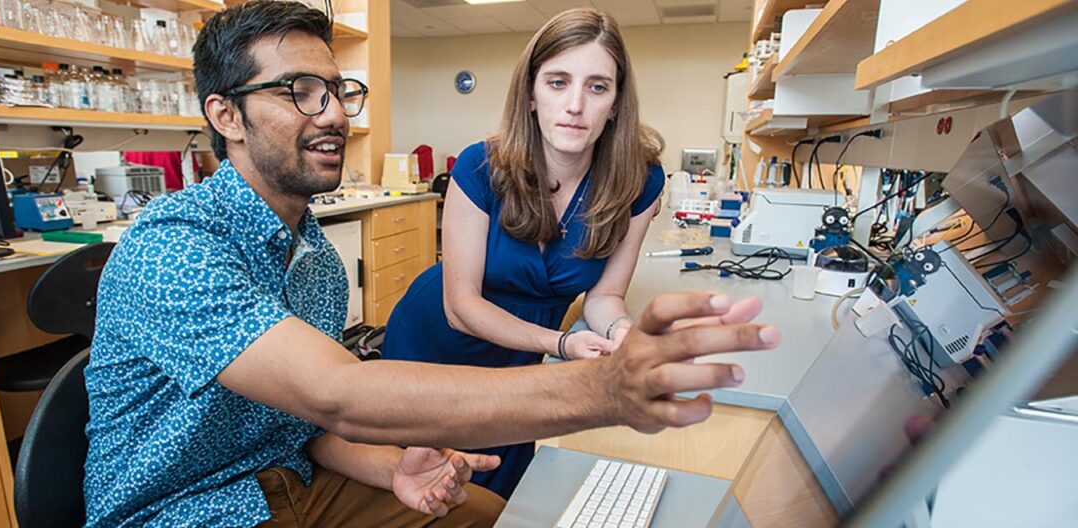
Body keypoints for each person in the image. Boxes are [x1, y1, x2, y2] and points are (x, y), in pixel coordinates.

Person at [83, 2, 780, 527]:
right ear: (226, 116)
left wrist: (396, 466)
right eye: (299, 92)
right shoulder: (173, 247)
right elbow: (337, 395)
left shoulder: (317, 260)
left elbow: (308, 427)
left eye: (338, 91)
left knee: (492, 515)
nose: (333, 115)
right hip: (188, 510)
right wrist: (601, 387)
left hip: (293, 477)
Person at [381, 8, 666, 498]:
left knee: (493, 498)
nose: (575, 104)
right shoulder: (480, 167)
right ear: (531, 94)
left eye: (597, 87)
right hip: (436, 344)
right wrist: (559, 344)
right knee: (417, 490)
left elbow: (605, 297)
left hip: (520, 359)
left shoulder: (639, 181)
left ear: (617, 103)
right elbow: (460, 306)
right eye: (558, 82)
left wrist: (624, 333)